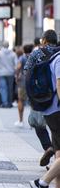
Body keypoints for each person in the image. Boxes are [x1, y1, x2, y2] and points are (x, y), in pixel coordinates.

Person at [30, 37, 60, 188]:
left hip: (52, 110)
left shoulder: (54, 57)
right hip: (57, 111)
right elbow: (59, 84)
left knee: (59, 155)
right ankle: (43, 183)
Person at [24, 30, 59, 168]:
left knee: (37, 123)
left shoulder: (37, 53)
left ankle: (48, 147)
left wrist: (31, 96)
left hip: (41, 97)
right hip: (56, 97)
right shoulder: (58, 53)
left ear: (44, 40)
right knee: (56, 130)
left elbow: (27, 73)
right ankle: (56, 159)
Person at [0, 41, 17, 108]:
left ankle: (4, 103)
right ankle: (9, 103)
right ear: (8, 45)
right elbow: (16, 63)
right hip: (10, 73)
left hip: (1, 73)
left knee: (3, 88)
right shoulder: (13, 54)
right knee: (10, 88)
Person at [15, 44, 33, 127]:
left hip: (23, 81)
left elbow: (18, 67)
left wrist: (17, 76)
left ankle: (21, 120)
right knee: (33, 102)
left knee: (21, 100)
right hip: (32, 81)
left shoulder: (22, 58)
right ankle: (33, 121)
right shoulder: (34, 57)